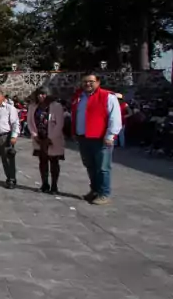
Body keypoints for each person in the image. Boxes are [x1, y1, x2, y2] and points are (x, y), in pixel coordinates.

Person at [71, 74, 122, 205]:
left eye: (91, 81)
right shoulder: (79, 97)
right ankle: (94, 190)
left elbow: (115, 118)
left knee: (103, 168)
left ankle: (104, 193)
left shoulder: (108, 97)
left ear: (98, 82)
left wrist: (110, 135)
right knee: (90, 166)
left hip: (101, 138)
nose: (87, 84)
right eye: (85, 81)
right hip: (84, 137)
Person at [28, 87, 66, 194]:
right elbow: (30, 122)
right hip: (39, 138)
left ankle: (54, 185)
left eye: (43, 94)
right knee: (42, 162)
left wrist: (51, 138)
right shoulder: (33, 106)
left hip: (53, 139)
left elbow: (60, 124)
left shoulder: (56, 106)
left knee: (54, 162)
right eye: (39, 94)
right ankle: (44, 184)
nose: (41, 96)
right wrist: (34, 135)